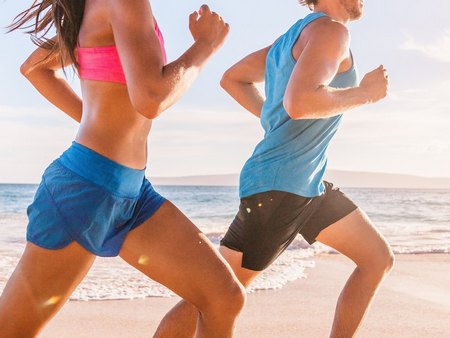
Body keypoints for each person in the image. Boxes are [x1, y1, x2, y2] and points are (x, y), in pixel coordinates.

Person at [0, 1, 246, 337]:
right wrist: (206, 45)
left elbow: (34, 67)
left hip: (133, 194)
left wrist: (96, 121)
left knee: (224, 296)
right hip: (83, 192)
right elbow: (151, 98)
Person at [154, 0, 394, 337]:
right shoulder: (331, 31)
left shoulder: (294, 38)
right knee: (216, 294)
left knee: (376, 258)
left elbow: (232, 79)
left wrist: (275, 125)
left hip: (308, 184)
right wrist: (365, 94)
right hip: (279, 188)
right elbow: (301, 102)